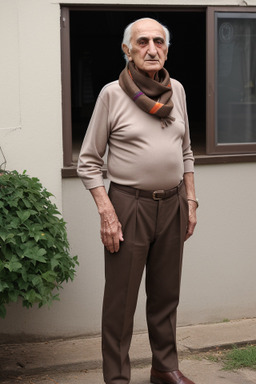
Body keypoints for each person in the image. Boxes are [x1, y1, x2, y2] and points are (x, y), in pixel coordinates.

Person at [77, 17, 198, 384]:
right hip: (128, 206)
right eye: (142, 41)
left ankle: (164, 367)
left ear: (167, 48)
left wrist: (191, 200)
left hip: (173, 203)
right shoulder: (111, 94)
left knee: (166, 295)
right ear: (127, 50)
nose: (151, 48)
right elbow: (88, 161)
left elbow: (187, 150)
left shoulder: (176, 89)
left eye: (158, 41)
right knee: (121, 302)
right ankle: (117, 377)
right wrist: (107, 212)